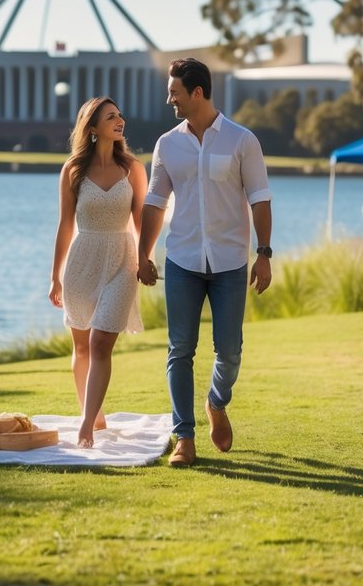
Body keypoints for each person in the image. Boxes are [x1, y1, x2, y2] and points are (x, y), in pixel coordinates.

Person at [136, 58, 272, 468]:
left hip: (231, 261)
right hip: (182, 260)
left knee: (229, 352)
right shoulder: (167, 144)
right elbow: (155, 203)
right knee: (180, 349)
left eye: (175, 91)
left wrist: (264, 253)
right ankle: (184, 437)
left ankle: (217, 401)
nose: (169, 99)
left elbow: (260, 198)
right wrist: (143, 254)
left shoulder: (241, 140)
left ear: (197, 93)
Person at [49, 96, 148, 448]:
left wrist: (147, 258)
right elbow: (64, 225)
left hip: (123, 260)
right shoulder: (73, 170)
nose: (120, 121)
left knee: (101, 341)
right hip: (82, 261)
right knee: (82, 347)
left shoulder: (133, 168)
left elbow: (143, 222)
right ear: (92, 128)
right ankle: (94, 413)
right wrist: (54, 275)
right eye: (110, 117)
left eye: (120, 115)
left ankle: (87, 426)